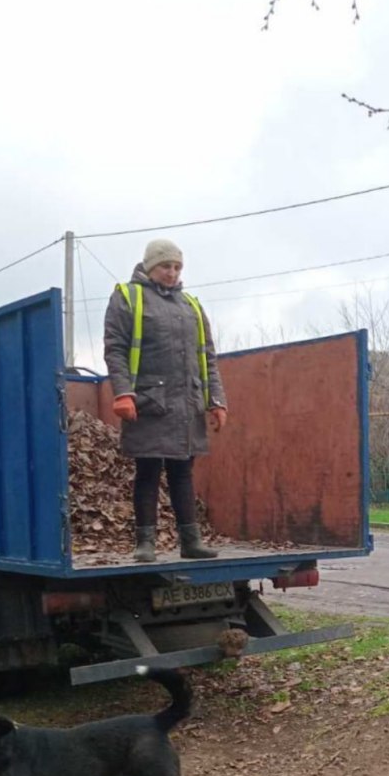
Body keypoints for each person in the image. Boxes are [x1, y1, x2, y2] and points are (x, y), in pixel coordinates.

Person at [104, 238, 228, 563]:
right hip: (148, 403)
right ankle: (145, 543)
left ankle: (191, 542)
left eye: (177, 267)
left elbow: (208, 358)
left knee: (183, 474)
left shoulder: (191, 306)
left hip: (187, 407)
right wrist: (123, 392)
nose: (172, 273)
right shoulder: (128, 296)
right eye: (165, 266)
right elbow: (115, 348)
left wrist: (216, 400)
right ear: (149, 266)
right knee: (147, 471)